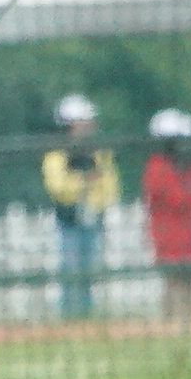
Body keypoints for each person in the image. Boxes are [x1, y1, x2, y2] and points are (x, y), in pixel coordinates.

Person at [40, 94, 119, 321]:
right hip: (69, 220)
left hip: (93, 218)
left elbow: (109, 186)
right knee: (70, 269)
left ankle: (86, 316)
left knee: (89, 271)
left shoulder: (99, 153)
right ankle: (69, 317)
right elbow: (58, 187)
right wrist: (84, 183)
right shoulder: (56, 155)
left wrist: (91, 194)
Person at [143, 111, 191, 321]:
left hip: (189, 230)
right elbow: (178, 198)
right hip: (168, 232)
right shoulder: (157, 166)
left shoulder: (187, 167)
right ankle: (170, 321)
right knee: (173, 280)